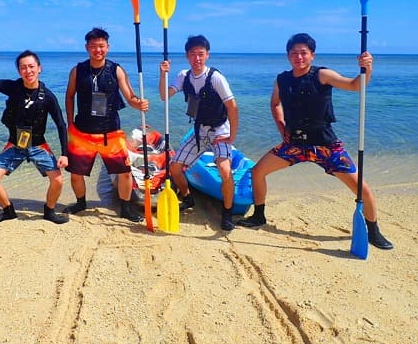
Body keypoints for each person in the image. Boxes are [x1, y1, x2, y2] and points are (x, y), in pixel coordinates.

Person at [236, 33, 393, 250]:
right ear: (288, 56)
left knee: (361, 189)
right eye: (294, 53)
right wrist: (282, 127)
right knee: (257, 172)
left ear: (312, 55)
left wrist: (367, 68)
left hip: (325, 145)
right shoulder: (282, 79)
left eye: (303, 53)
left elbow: (356, 85)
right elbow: (274, 104)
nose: (298, 57)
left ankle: (373, 231)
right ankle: (259, 215)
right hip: (294, 144)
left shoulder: (322, 75)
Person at [0, 49, 69, 224]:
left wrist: (65, 153)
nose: (28, 71)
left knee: (58, 180)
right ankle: (8, 211)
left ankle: (49, 211)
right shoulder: (12, 87)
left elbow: (61, 124)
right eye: (23, 68)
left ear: (39, 68)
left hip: (38, 146)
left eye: (31, 67)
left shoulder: (48, 97)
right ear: (19, 71)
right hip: (14, 145)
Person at [64, 27, 149, 222]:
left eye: (101, 46)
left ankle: (126, 208)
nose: (97, 50)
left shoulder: (116, 69)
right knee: (76, 173)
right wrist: (70, 123)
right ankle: (81, 203)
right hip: (82, 132)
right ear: (87, 48)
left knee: (124, 172)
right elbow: (69, 97)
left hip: (110, 132)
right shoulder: (77, 70)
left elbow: (130, 96)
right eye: (93, 46)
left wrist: (139, 104)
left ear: (108, 47)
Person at [159, 34, 239, 230]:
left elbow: (233, 107)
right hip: (199, 130)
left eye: (201, 54)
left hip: (220, 129)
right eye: (193, 54)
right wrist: (163, 75)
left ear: (207, 55)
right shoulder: (183, 76)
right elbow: (164, 96)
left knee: (225, 170)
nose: (197, 58)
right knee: (175, 168)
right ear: (187, 56)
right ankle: (187, 198)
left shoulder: (215, 78)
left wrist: (231, 136)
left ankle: (227, 212)